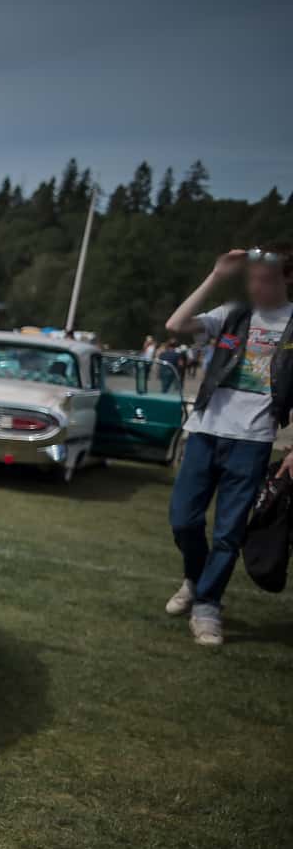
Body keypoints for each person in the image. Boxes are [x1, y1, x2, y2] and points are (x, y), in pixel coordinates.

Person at [162, 244, 293, 646]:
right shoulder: (232, 313)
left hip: (253, 441)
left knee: (228, 533)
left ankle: (207, 606)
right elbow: (175, 324)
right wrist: (217, 275)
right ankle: (195, 577)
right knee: (183, 520)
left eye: (265, 278)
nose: (256, 285)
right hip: (206, 431)